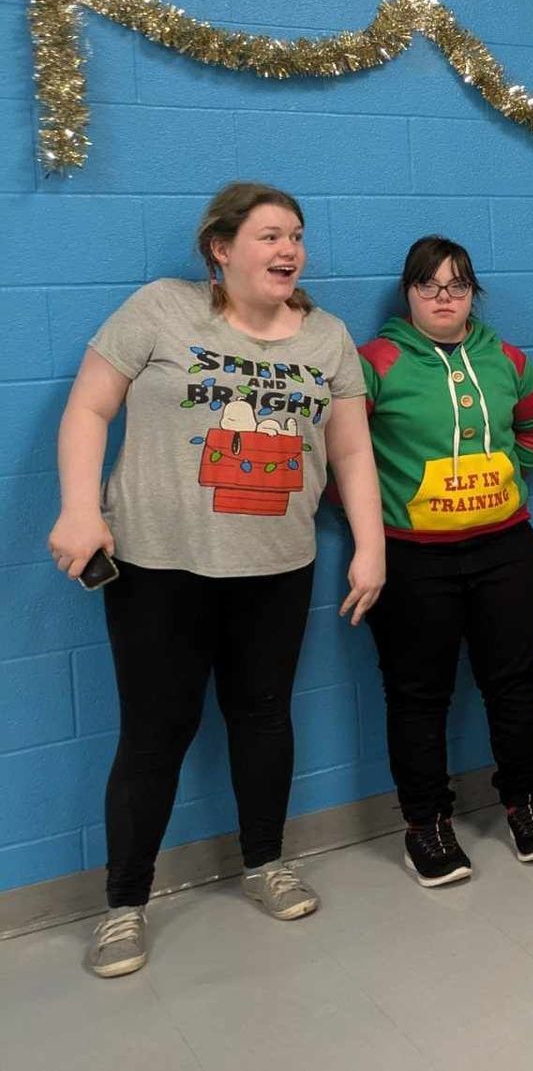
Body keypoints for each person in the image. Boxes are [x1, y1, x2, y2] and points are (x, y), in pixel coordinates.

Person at [47, 182, 385, 978]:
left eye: (297, 236)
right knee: (155, 734)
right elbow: (89, 407)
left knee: (264, 718)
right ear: (220, 249)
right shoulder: (162, 310)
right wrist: (78, 507)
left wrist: (370, 545)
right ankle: (125, 903)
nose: (288, 250)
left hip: (275, 567)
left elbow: (351, 453)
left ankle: (265, 861)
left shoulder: (329, 338)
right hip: (159, 568)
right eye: (269, 235)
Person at [358, 236, 533, 887]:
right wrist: (368, 508)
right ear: (408, 292)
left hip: (505, 549)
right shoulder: (375, 362)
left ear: (473, 292)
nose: (444, 296)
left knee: (515, 681)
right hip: (414, 562)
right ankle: (427, 823)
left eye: (458, 284)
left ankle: (526, 801)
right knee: (419, 695)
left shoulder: (502, 356)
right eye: (430, 285)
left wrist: (511, 473)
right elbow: (340, 452)